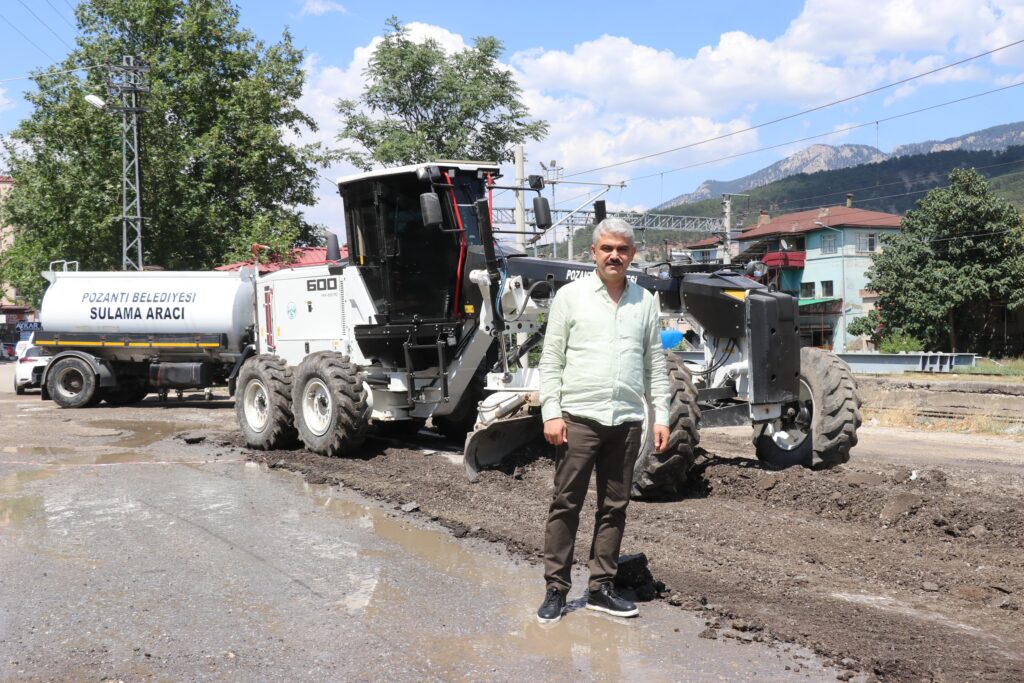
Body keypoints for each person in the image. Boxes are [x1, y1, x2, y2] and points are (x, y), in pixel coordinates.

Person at [536, 217, 670, 624]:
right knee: (566, 504)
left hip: (626, 421)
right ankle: (556, 589)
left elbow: (655, 365)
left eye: (623, 249)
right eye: (607, 248)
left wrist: (660, 416)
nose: (615, 255)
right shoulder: (570, 297)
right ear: (592, 252)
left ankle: (600, 588)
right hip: (577, 419)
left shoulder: (645, 302)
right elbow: (551, 359)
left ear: (632, 254)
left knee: (615, 506)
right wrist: (551, 412)